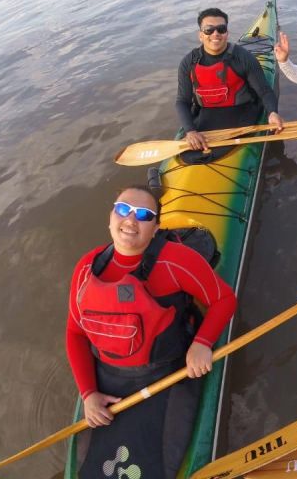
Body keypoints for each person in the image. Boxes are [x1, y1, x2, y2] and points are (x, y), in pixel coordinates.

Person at [66, 186, 237, 477]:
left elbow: (224, 300)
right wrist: (89, 393)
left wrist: (202, 343)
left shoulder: (176, 261)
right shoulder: (86, 267)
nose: (131, 220)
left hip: (166, 373)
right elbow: (75, 334)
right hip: (107, 377)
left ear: (155, 228)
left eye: (144, 215)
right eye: (123, 210)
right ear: (110, 218)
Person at [176, 8, 283, 152]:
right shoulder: (188, 63)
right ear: (200, 35)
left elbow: (264, 91)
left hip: (242, 113)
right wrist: (190, 131)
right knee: (189, 155)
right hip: (207, 114)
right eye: (209, 29)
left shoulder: (243, 58)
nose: (215, 34)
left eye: (221, 29)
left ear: (227, 33)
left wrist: (272, 112)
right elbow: (182, 101)